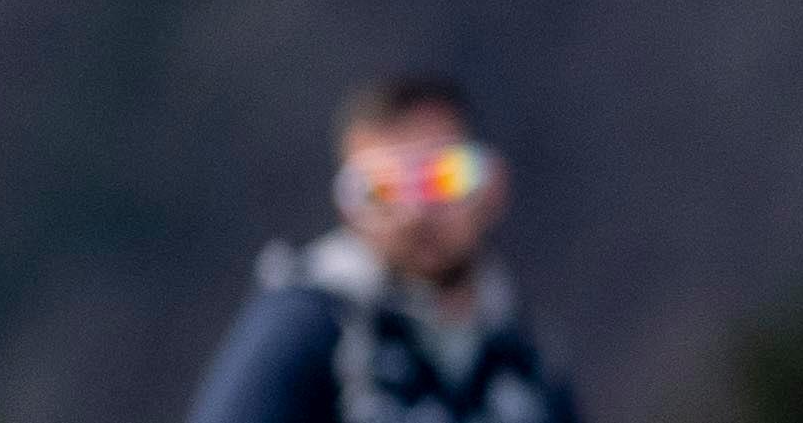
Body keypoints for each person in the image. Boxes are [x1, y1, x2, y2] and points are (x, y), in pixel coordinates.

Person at [186, 76, 581, 423]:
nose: (415, 212)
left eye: (442, 178)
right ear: (347, 208)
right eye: (383, 188)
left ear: (493, 187)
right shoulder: (312, 326)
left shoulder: (523, 351)